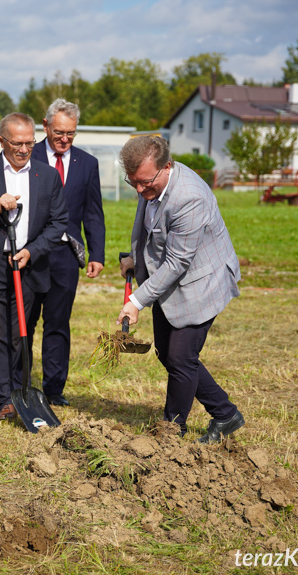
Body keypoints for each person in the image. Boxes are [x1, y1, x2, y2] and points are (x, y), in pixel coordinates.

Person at [116, 136, 244, 443]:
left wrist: (137, 301)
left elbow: (178, 262)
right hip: (167, 279)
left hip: (201, 282)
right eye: (132, 182)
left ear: (166, 167)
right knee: (167, 354)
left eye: (145, 182)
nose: (139, 190)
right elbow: (149, 228)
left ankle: (171, 430)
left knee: (181, 358)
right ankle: (226, 414)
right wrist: (135, 259)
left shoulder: (190, 197)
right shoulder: (149, 182)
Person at [0, 112, 68, 421]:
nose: (23, 149)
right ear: (1, 140)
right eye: (17, 143)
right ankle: (3, 399)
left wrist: (32, 251)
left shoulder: (47, 176)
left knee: (19, 335)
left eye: (30, 142)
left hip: (28, 267)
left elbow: (58, 223)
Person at [26, 99, 105, 407]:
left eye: (71, 133)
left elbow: (93, 213)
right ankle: (18, 383)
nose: (64, 139)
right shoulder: (27, 156)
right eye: (59, 132)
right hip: (31, 254)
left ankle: (54, 390)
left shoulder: (87, 163)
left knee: (58, 323)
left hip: (66, 256)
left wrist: (96, 253)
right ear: (45, 127)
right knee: (25, 322)